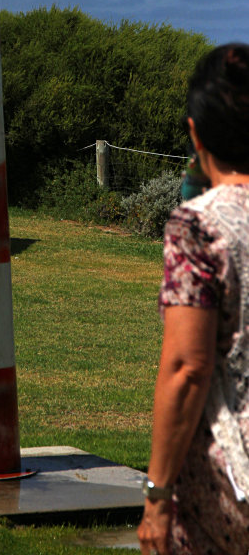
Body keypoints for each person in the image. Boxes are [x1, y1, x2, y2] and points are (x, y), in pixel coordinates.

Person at [138, 43, 249, 555]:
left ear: (196, 132)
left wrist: (158, 497)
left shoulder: (199, 225)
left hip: (229, 483)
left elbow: (187, 366)